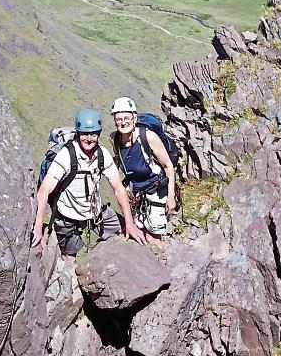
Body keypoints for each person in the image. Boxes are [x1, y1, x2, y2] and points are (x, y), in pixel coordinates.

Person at [31, 108, 145, 259]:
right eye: (85, 134)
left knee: (126, 231)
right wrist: (38, 228)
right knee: (70, 259)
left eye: (93, 134)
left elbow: (118, 189)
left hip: (95, 213)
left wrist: (130, 224)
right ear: (78, 133)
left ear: (99, 134)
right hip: (67, 216)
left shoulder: (102, 155)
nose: (89, 138)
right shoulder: (66, 156)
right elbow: (43, 191)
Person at [110, 97, 176, 245]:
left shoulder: (148, 137)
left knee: (152, 237)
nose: (123, 122)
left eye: (127, 118)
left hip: (156, 191)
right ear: (114, 121)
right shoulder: (114, 139)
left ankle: (159, 263)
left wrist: (171, 197)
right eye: (119, 119)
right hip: (137, 194)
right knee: (139, 232)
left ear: (134, 118)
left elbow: (168, 166)